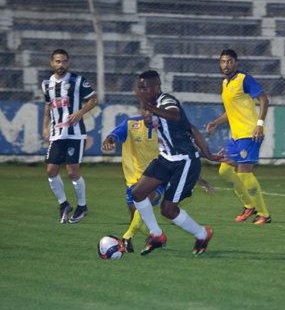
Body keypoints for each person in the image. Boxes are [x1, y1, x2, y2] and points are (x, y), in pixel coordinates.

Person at [130, 70, 224, 256]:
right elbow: (191, 129)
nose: (142, 91)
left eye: (145, 88)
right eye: (140, 88)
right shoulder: (149, 104)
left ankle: (203, 234)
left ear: (157, 87)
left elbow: (174, 116)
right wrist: (146, 108)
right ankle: (156, 235)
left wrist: (207, 156)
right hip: (165, 159)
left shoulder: (167, 101)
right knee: (137, 192)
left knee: (167, 210)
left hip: (184, 162)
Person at [101, 102, 216, 253]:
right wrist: (108, 141)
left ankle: (128, 237)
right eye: (145, 109)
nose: (148, 114)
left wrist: (197, 177)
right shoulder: (131, 124)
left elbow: (182, 156)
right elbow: (113, 136)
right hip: (134, 178)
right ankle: (156, 237)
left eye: (151, 111)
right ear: (141, 110)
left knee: (156, 206)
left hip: (160, 175)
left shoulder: (166, 128)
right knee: (138, 215)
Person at [206, 49, 271, 224]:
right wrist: (215, 123)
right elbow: (231, 112)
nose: (225, 65)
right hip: (236, 136)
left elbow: (264, 99)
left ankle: (264, 214)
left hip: (250, 133)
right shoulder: (225, 83)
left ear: (236, 63)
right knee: (225, 170)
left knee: (244, 174)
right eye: (222, 61)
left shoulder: (244, 79)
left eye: (229, 61)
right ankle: (249, 206)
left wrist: (260, 124)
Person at [42, 49, 98, 224]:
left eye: (64, 61)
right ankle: (64, 204)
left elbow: (94, 99)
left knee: (72, 173)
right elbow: (48, 106)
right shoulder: (46, 84)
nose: (61, 65)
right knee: (51, 171)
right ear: (52, 63)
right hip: (56, 134)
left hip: (75, 133)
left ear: (68, 62)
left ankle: (82, 206)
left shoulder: (77, 80)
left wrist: (80, 112)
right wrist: (44, 126)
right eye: (58, 61)